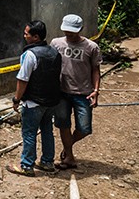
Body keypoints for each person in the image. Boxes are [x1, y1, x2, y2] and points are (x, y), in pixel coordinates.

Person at [7, 20, 62, 177]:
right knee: (47, 130)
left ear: (36, 37)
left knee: (29, 133)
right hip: (51, 101)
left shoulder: (30, 55)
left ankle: (26, 165)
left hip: (33, 102)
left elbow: (22, 79)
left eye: (26, 34)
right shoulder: (54, 52)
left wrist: (16, 99)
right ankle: (47, 162)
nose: (24, 36)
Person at [52, 14, 101, 170]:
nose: (69, 34)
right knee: (63, 124)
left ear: (80, 29)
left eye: (72, 32)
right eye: (66, 31)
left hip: (83, 93)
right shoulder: (56, 43)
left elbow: (95, 69)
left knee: (84, 128)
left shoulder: (91, 47)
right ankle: (69, 157)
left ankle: (68, 146)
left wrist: (96, 90)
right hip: (61, 92)